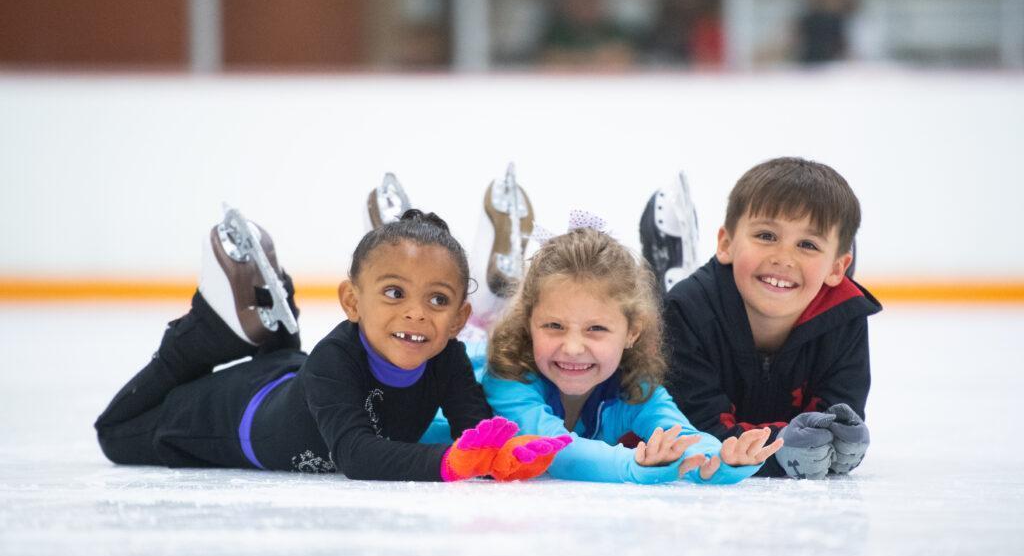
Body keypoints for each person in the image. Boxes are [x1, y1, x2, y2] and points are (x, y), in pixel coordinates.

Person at [94, 207, 571, 482]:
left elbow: (477, 428)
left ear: (459, 321)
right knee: (114, 431)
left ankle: (277, 335)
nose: (417, 313)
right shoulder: (335, 358)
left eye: (438, 300)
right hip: (223, 416)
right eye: (394, 293)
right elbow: (356, 454)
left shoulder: (447, 358)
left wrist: (506, 454)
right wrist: (452, 462)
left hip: (289, 376)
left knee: (294, 372)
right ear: (351, 301)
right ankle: (200, 337)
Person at [481, 225, 783, 484]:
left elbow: (683, 437)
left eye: (596, 328)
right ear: (528, 323)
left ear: (632, 332)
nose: (572, 347)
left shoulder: (633, 388)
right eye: (553, 326)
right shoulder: (508, 376)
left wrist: (722, 460)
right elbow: (553, 452)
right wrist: (633, 466)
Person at [662, 157, 882, 480]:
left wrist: (837, 441)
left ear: (838, 268)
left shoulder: (846, 316)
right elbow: (698, 433)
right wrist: (784, 450)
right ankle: (666, 274)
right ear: (726, 243)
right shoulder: (686, 312)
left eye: (807, 244)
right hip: (694, 305)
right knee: (655, 319)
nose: (783, 258)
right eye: (766, 236)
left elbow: (837, 426)